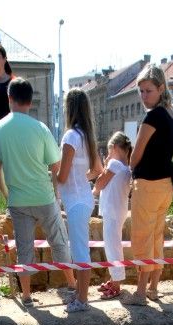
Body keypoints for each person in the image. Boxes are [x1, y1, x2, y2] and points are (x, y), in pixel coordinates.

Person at [0, 78, 72, 308]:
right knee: (59, 242)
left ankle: (26, 297)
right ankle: (72, 284)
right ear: (29, 100)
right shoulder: (40, 128)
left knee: (24, 249)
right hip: (44, 197)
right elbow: (55, 166)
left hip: (18, 200)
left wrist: (7, 195)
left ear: (10, 98)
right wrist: (56, 196)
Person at [125, 64, 173, 306]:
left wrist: (128, 169)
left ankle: (139, 293)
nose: (144, 96)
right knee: (157, 237)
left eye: (148, 91)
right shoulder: (171, 112)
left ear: (160, 88)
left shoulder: (153, 116)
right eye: (141, 91)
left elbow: (135, 155)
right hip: (166, 184)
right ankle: (153, 288)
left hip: (147, 185)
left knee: (142, 238)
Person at [57, 88, 102, 312]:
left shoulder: (70, 136)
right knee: (80, 250)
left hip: (75, 202)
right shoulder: (87, 135)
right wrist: (80, 178)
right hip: (84, 198)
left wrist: (52, 175)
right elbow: (98, 169)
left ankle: (82, 299)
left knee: (80, 252)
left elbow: (62, 176)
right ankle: (79, 294)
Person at [93, 132, 132, 299]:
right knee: (113, 245)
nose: (108, 155)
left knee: (112, 247)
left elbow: (99, 184)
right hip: (118, 210)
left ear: (115, 148)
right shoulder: (126, 166)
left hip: (112, 211)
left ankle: (116, 285)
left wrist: (106, 164)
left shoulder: (114, 164)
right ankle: (114, 279)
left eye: (109, 150)